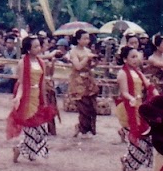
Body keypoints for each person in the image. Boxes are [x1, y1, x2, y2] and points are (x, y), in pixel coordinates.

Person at [7, 35, 57, 163]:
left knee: (41, 128)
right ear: (28, 49)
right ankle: (20, 149)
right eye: (35, 46)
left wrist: (44, 100)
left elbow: (42, 82)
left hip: (38, 96)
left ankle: (24, 149)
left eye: (39, 46)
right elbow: (21, 83)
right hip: (27, 98)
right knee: (30, 127)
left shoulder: (41, 62)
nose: (38, 48)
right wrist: (18, 97)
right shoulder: (23, 63)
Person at [115, 45, 156, 171]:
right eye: (132, 57)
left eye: (136, 56)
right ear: (125, 59)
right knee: (135, 137)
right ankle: (130, 166)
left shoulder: (138, 72)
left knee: (145, 136)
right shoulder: (122, 73)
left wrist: (157, 95)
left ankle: (128, 160)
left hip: (139, 107)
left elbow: (149, 86)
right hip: (128, 108)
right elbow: (124, 92)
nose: (135, 59)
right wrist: (132, 99)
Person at [66, 29, 100, 138]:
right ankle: (82, 128)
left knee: (92, 106)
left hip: (88, 80)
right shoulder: (73, 51)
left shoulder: (88, 50)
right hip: (78, 81)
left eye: (88, 38)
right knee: (83, 107)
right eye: (84, 38)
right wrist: (86, 58)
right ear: (78, 39)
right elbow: (78, 66)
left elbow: (89, 67)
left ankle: (86, 128)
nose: (87, 40)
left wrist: (95, 62)